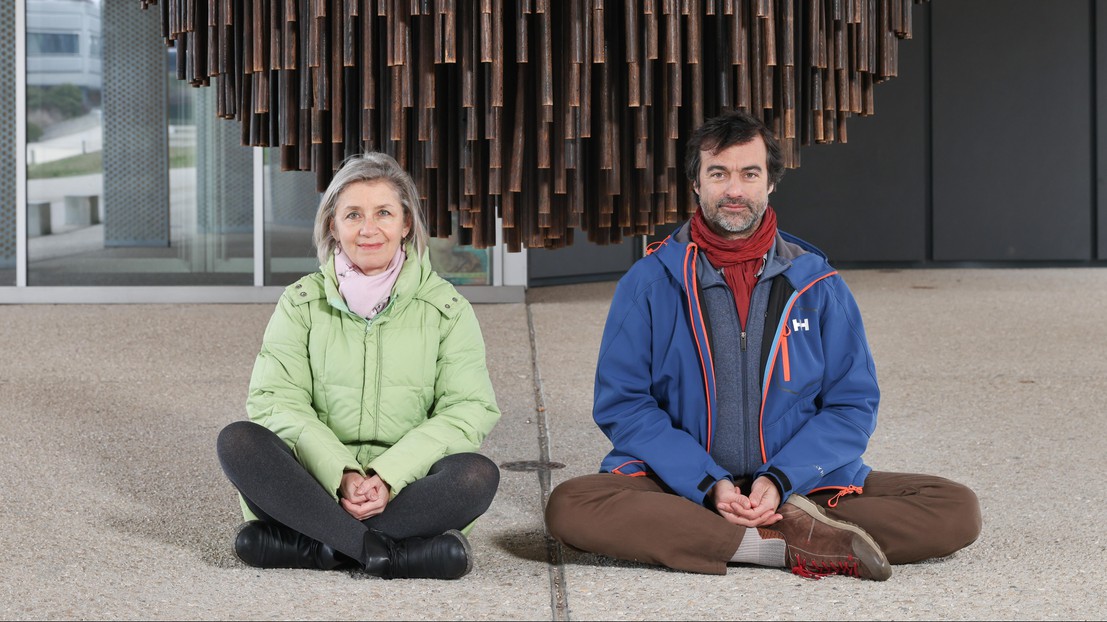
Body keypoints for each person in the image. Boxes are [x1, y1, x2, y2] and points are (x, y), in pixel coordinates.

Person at [544, 110, 981, 581]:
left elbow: (852, 405)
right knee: (571, 505)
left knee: (956, 508)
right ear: (696, 182)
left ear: (770, 182)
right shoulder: (649, 281)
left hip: (800, 488)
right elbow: (625, 405)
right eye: (719, 173)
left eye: (749, 174)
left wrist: (781, 479)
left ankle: (743, 533)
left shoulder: (817, 283)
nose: (734, 190)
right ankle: (785, 544)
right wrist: (709, 484)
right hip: (681, 487)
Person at [216, 152, 502, 580]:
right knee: (239, 441)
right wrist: (342, 473)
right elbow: (275, 400)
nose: (369, 229)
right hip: (314, 486)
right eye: (353, 215)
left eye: (383, 213)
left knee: (476, 474)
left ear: (406, 224)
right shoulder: (300, 304)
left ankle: (319, 547)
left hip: (407, 489)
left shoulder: (448, 310)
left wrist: (387, 477)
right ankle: (385, 552)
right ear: (333, 225)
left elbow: (467, 410)